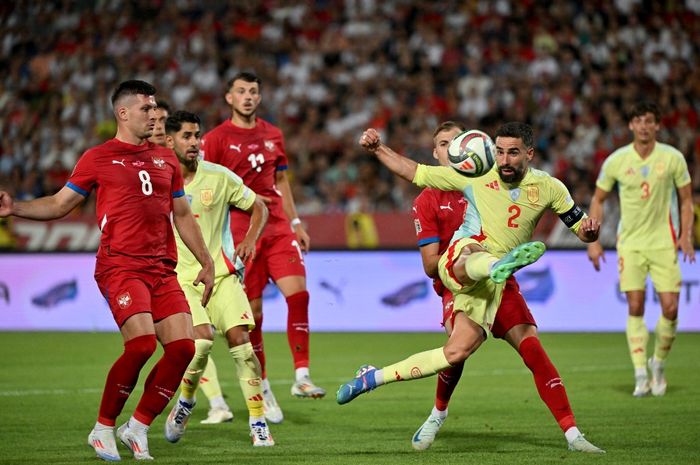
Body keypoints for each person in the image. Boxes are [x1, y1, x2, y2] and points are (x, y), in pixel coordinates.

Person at [337, 122, 604, 454]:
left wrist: (589, 234)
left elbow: (579, 226)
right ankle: (495, 265)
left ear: (529, 154)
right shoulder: (475, 176)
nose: (504, 159)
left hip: (499, 285)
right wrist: (379, 149)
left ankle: (373, 378)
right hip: (461, 262)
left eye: (513, 153)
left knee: (463, 352)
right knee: (475, 254)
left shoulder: (549, 188)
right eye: (500, 151)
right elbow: (415, 172)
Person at [0, 80, 215, 462]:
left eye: (155, 109)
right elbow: (59, 204)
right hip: (121, 264)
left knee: (184, 348)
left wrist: (206, 260)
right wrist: (14, 207)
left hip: (162, 267)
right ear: (123, 113)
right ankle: (102, 428)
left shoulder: (166, 159)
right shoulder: (98, 157)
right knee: (142, 344)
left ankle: (138, 427)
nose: (154, 115)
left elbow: (181, 213)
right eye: (147, 109)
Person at [201, 71, 324, 424]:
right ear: (229, 98)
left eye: (253, 91)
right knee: (252, 317)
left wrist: (296, 222)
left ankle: (301, 375)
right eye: (241, 91)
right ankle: (264, 386)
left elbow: (281, 179)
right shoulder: (216, 139)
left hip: (278, 226)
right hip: (241, 231)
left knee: (298, 295)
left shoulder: (273, 134)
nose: (248, 97)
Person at [161, 110, 274, 446]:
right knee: (201, 342)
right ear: (169, 141)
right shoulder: (158, 180)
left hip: (223, 275)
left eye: (197, 135)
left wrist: (251, 237)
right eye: (186, 136)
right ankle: (185, 402)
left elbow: (260, 207)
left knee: (242, 343)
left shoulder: (219, 176)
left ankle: (258, 422)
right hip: (181, 279)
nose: (195, 142)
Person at [587, 101, 695, 397]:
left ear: (657, 125)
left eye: (649, 120)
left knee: (671, 309)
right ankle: (639, 374)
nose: (644, 126)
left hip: (663, 241)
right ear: (631, 125)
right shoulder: (617, 161)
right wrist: (593, 241)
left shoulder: (672, 158)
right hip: (631, 243)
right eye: (638, 121)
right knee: (635, 305)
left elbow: (687, 201)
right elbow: (598, 200)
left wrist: (686, 235)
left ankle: (657, 363)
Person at [147, 100, 235, 424]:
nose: (157, 127)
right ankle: (201, 401)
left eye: (161, 122)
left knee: (195, 339)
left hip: (186, 269)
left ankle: (199, 402)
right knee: (189, 342)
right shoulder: (145, 167)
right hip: (157, 266)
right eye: (153, 121)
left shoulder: (189, 168)